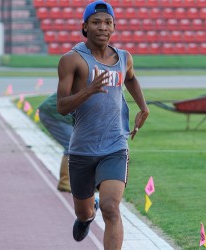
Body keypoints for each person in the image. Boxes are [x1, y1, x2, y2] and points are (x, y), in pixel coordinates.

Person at [57, 1, 149, 249]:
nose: (102, 27)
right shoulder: (72, 60)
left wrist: (143, 106)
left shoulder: (124, 58)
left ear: (114, 27)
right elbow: (62, 106)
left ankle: (100, 210)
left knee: (111, 207)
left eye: (108, 22)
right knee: (85, 212)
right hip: (82, 150)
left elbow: (131, 79)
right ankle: (87, 216)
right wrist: (88, 91)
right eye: (96, 22)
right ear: (85, 27)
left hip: (115, 146)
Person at [38, 93, 73, 192]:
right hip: (53, 113)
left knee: (80, 145)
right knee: (72, 146)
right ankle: (64, 181)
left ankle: (90, 182)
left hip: (57, 112)